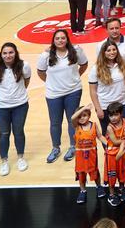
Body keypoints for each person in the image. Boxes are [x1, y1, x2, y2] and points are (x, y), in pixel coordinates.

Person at [36, 29, 88, 163]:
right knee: (55, 122)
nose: (60, 40)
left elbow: (84, 64)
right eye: (57, 38)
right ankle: (55, 148)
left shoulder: (76, 51)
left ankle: (73, 146)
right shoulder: (46, 55)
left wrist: (75, 77)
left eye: (63, 38)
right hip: (54, 94)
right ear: (53, 41)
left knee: (72, 120)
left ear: (67, 39)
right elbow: (40, 72)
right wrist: (51, 82)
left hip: (73, 91)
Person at [0, 42, 30, 176]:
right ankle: (4, 161)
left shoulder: (24, 66)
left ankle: (20, 158)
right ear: (1, 54)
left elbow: (26, 81)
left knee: (18, 132)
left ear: (16, 53)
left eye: (11, 52)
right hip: (0, 108)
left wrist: (17, 95)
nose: (8, 55)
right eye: (5, 53)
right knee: (4, 134)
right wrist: (2, 98)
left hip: (20, 106)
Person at [88, 41, 125, 134]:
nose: (112, 52)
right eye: (108, 50)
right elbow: (93, 91)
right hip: (105, 106)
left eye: (114, 49)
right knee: (107, 133)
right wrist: (98, 108)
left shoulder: (122, 64)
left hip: (123, 104)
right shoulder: (96, 68)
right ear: (103, 52)